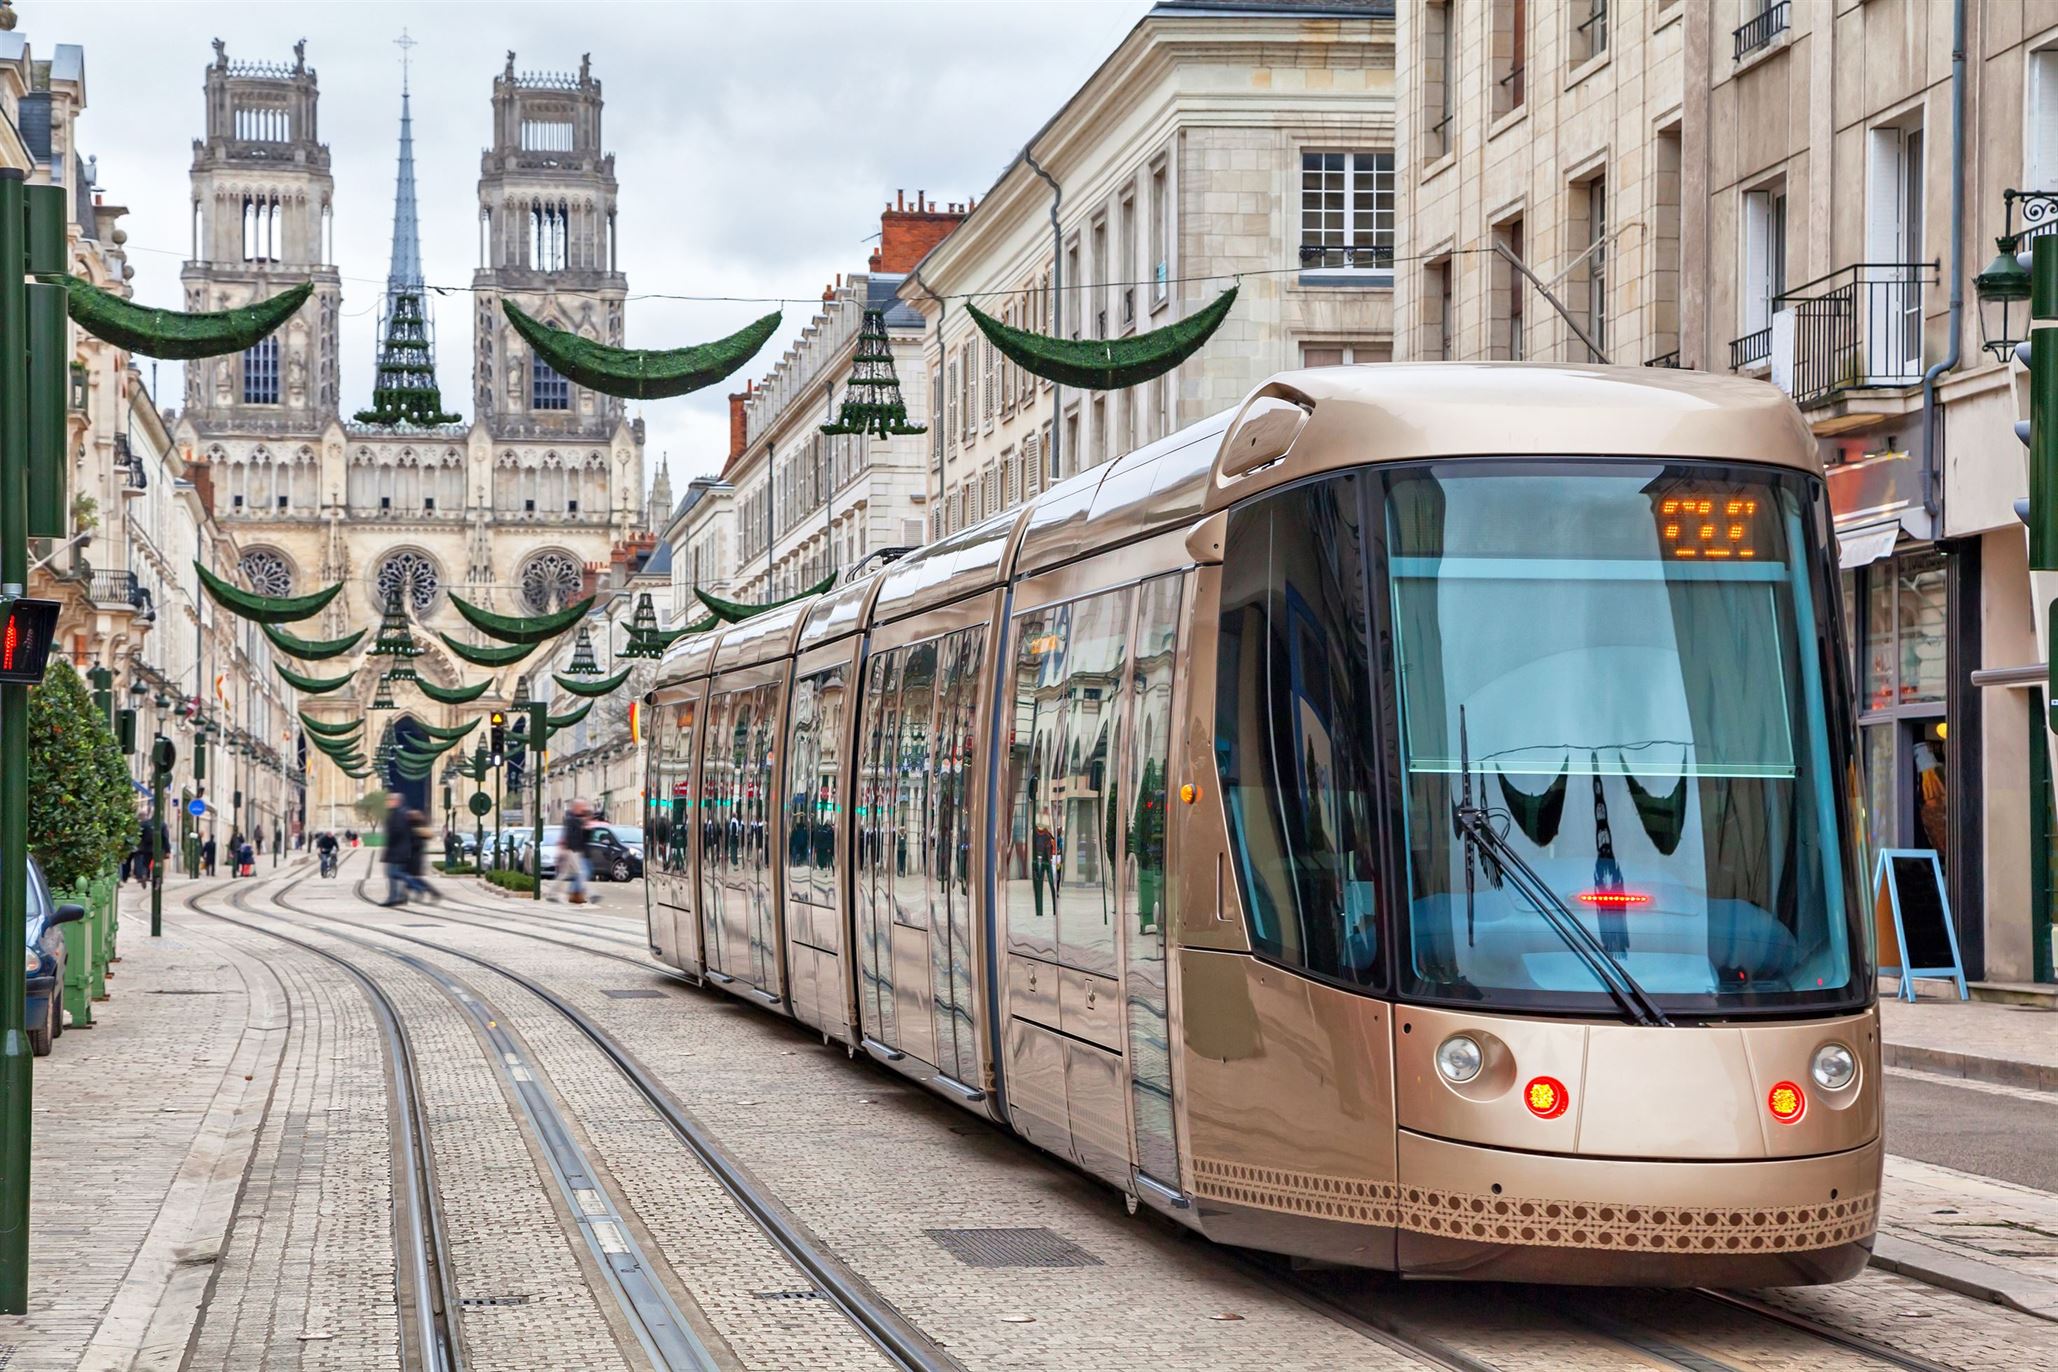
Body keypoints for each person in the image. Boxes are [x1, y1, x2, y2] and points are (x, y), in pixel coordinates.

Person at [558, 799, 594, 905]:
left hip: (580, 851)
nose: (583, 810)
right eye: (582, 807)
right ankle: (575, 894)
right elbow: (572, 837)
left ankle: (574, 894)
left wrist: (586, 825)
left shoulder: (577, 819)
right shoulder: (572, 820)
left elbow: (586, 837)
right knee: (582, 873)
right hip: (575, 851)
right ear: (576, 808)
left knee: (579, 873)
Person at [380, 796, 412, 906]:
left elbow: (396, 832)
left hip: (396, 851)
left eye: (388, 800)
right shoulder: (403, 813)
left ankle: (394, 897)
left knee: (392, 874)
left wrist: (389, 845)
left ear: (395, 801)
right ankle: (401, 896)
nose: (386, 802)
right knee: (397, 873)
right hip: (401, 850)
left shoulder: (397, 814)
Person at [401, 809, 437, 903]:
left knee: (412, 879)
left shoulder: (416, 829)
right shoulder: (416, 827)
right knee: (411, 878)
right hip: (414, 857)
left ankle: (434, 893)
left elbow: (416, 843)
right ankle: (411, 895)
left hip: (414, 858)